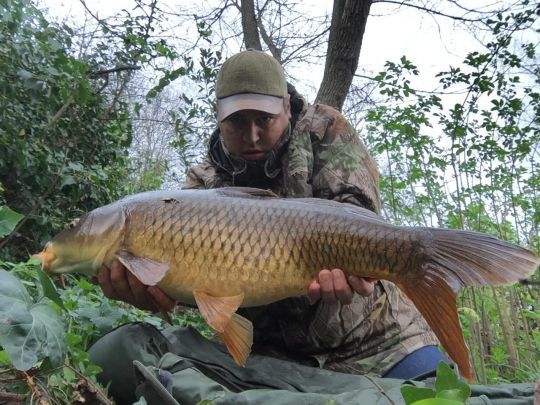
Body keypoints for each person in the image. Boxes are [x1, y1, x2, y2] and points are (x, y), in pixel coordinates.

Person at [93, 50, 445, 391]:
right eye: (237, 122)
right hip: (269, 356)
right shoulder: (198, 188)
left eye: (264, 119)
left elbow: (358, 212)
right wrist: (154, 291)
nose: (252, 136)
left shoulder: (326, 132)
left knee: (441, 394)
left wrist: (356, 267)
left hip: (373, 339)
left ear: (287, 109)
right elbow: (197, 286)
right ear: (218, 117)